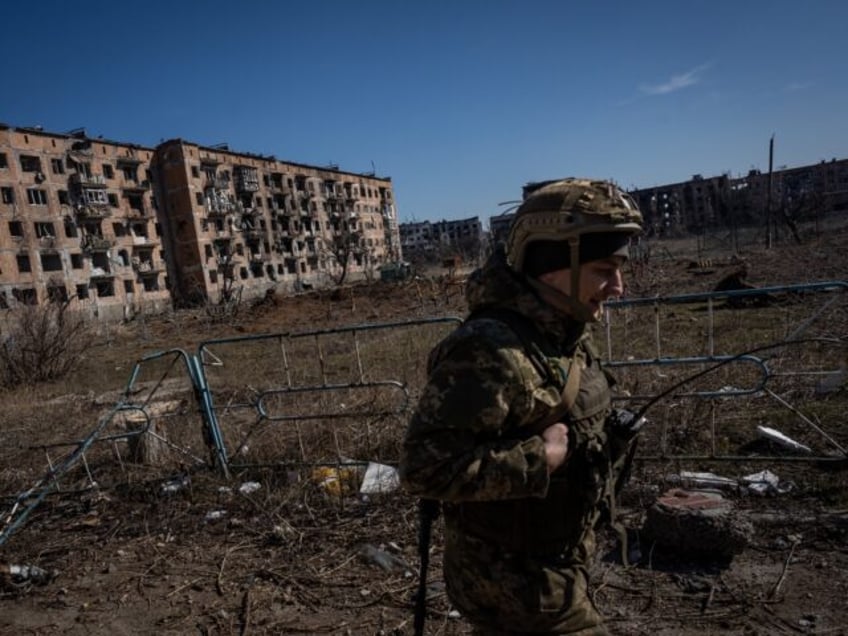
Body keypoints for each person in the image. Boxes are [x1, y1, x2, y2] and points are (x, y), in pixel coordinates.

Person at [400, 178, 645, 635]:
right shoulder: (490, 351)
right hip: (514, 585)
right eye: (603, 270)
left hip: (556, 565)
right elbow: (423, 469)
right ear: (553, 266)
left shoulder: (561, 332)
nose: (618, 288)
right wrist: (542, 458)